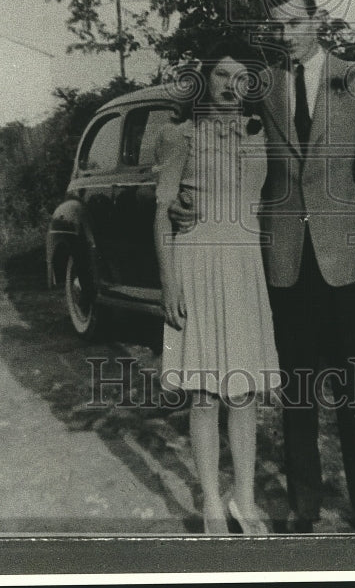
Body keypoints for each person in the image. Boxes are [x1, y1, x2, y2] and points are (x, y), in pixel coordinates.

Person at [171, 0, 355, 533]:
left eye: (295, 23)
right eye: (276, 27)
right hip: (282, 259)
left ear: (317, 21)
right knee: (296, 389)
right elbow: (208, 138)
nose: (286, 34)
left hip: (343, 256)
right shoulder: (262, 86)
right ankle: (303, 505)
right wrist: (183, 202)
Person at [153, 38, 280, 536]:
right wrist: (168, 283)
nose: (232, 86)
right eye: (222, 75)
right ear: (205, 78)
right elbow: (162, 212)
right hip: (197, 265)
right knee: (204, 393)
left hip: (246, 268)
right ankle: (210, 501)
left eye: (241, 77)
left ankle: (243, 502)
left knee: (244, 391)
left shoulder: (259, 132)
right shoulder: (177, 134)